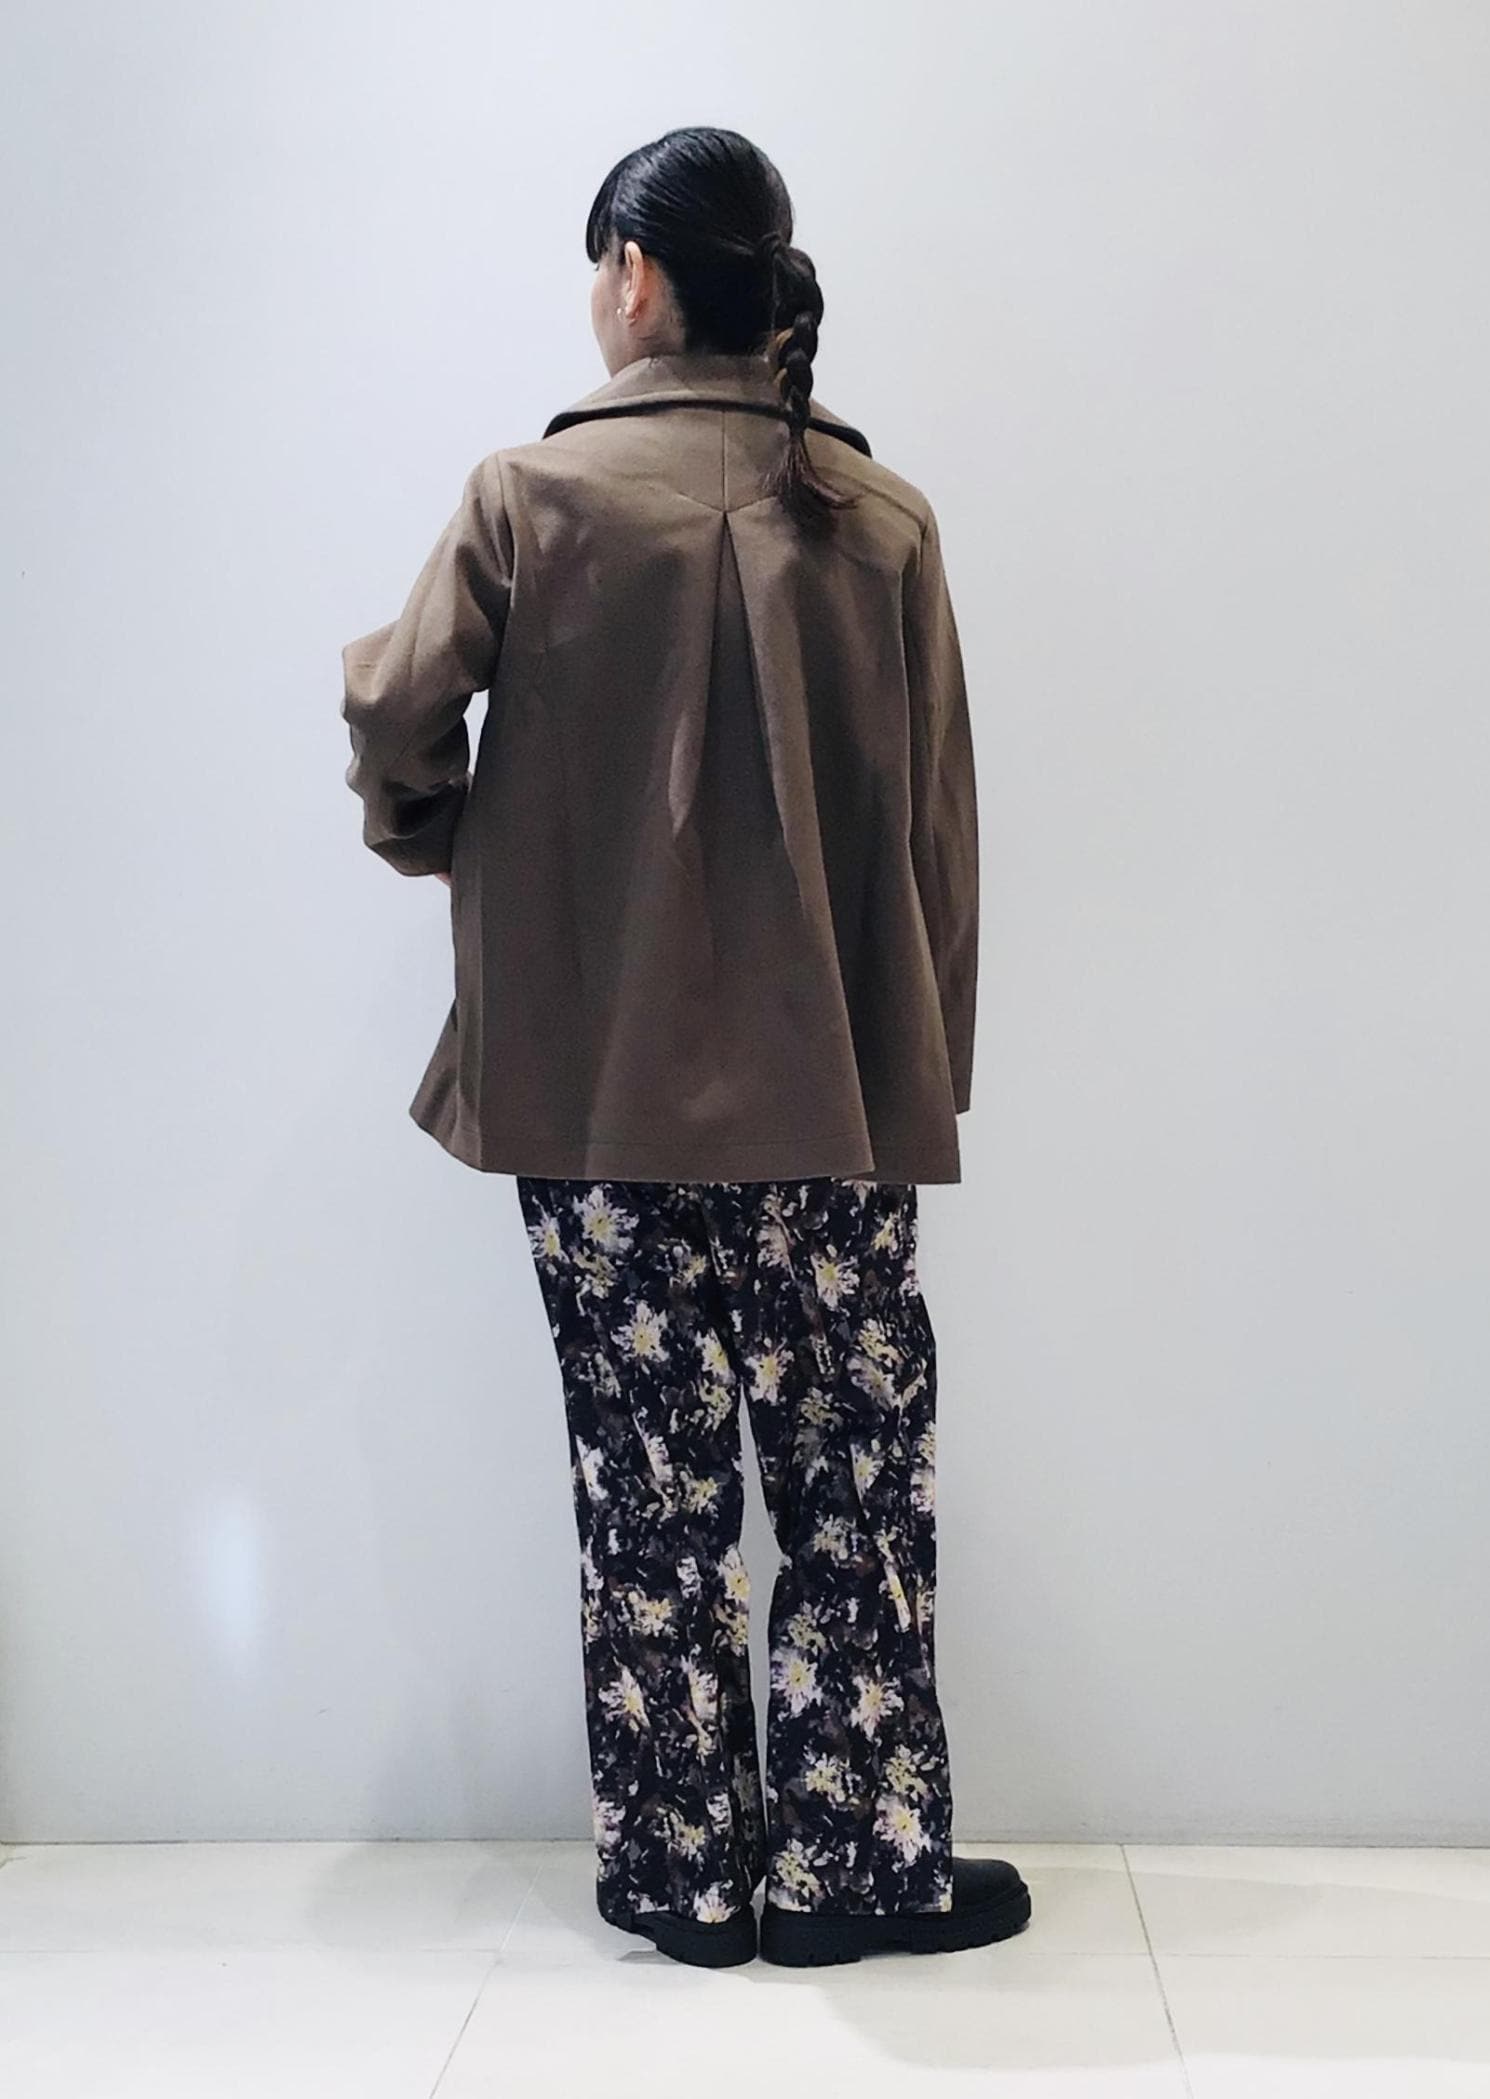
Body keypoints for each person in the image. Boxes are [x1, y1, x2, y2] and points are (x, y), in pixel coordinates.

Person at [339, 125, 1029, 1970]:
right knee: (853, 1479)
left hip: (595, 1100)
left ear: (635, 278)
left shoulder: (528, 499)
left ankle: (685, 1877)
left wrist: (445, 837)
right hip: (831, 1105)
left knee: (644, 1483)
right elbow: (940, 836)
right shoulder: (880, 521)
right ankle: (847, 1872)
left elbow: (394, 710)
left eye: (599, 263)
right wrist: (925, 1067)